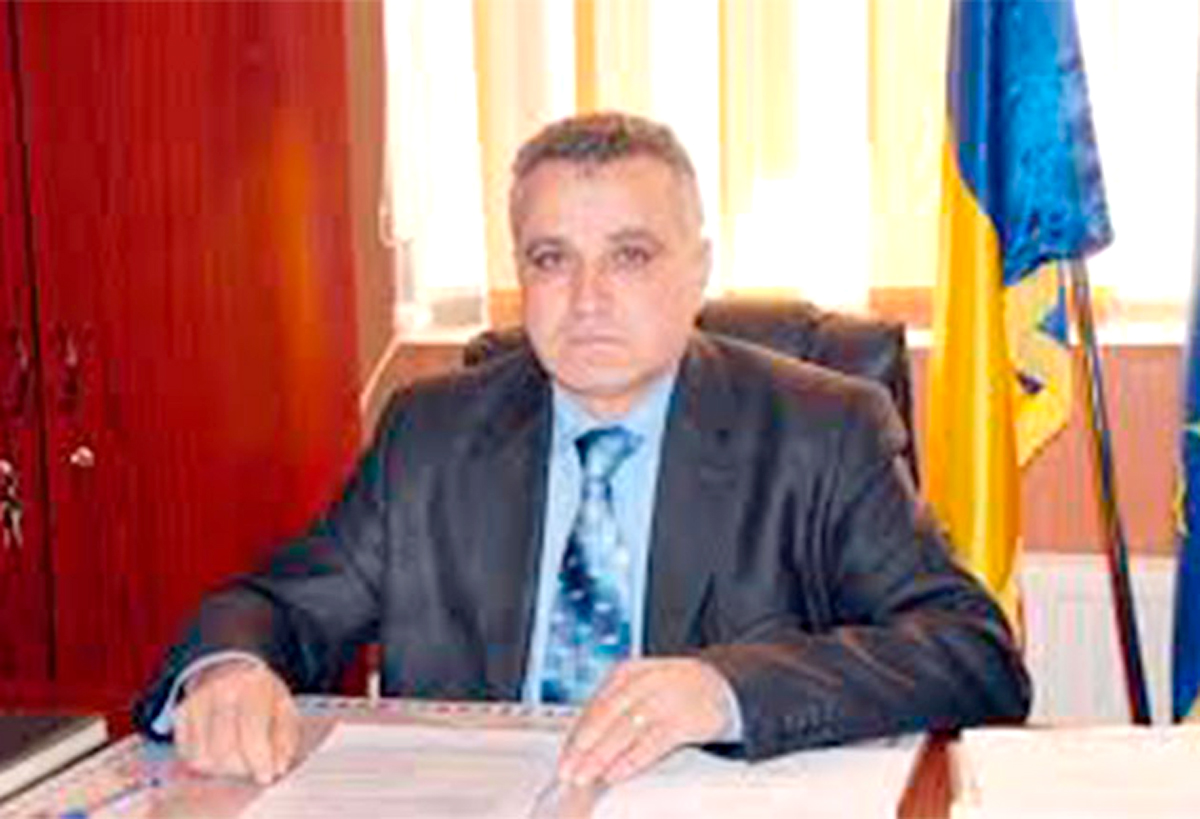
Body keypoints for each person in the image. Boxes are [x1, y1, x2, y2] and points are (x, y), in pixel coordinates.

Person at [134, 111, 1030, 788]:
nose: (588, 297)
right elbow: (275, 605)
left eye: (631, 255)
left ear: (697, 269)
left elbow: (972, 650)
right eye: (552, 258)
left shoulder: (819, 429)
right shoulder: (431, 436)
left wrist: (724, 691)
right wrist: (231, 668)